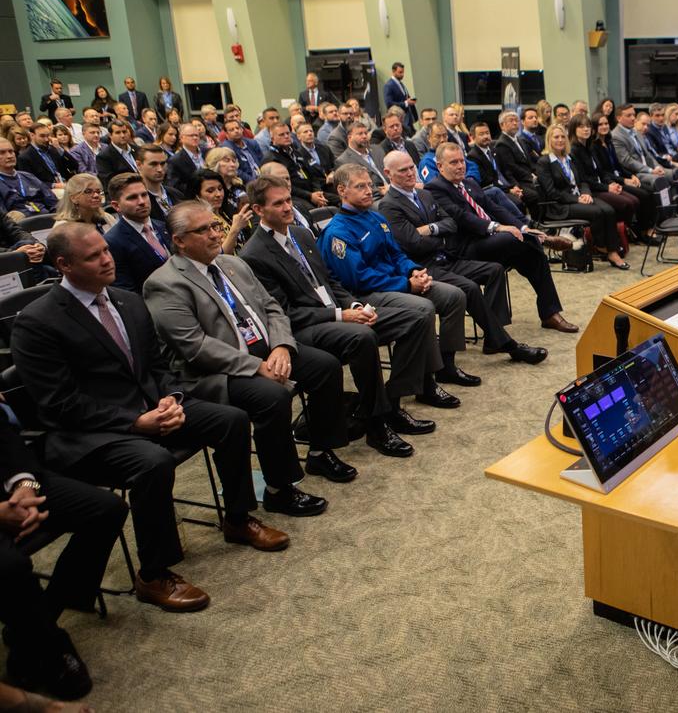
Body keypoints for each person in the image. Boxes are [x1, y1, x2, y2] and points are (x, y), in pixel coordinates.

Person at [13, 223, 291, 613]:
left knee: (229, 420)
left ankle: (238, 518)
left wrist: (171, 399)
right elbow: (60, 403)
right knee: (153, 461)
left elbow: (158, 367)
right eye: (93, 256)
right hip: (90, 432)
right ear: (63, 265)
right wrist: (134, 422)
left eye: (106, 251)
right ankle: (154, 573)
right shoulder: (38, 321)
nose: (107, 259)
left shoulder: (127, 301)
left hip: (149, 406)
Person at [144, 200, 341, 501]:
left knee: (325, 366)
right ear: (180, 241)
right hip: (215, 372)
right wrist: (256, 366)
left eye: (215, 226)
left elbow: (272, 308)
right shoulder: (164, 283)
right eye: (203, 230)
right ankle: (280, 488)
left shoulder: (231, 263)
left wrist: (282, 346)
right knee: (270, 396)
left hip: (268, 353)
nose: (214, 234)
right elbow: (195, 346)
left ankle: (319, 450)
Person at [241, 175, 435, 460]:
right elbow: (284, 313)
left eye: (288, 200)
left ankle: (391, 403)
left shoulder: (301, 234)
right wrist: (340, 315)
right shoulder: (254, 254)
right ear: (258, 210)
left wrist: (355, 305)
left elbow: (329, 280)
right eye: (278, 203)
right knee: (362, 337)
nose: (287, 208)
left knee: (415, 318)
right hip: (305, 328)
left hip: (337, 311)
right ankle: (376, 424)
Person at [320, 164, 477, 409]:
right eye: (360, 186)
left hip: (398, 283)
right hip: (368, 294)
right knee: (423, 309)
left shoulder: (375, 216)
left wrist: (414, 271)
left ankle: (446, 367)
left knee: (453, 295)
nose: (368, 191)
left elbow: (397, 254)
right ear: (342, 190)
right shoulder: (338, 232)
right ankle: (408, 390)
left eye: (370, 185)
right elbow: (358, 279)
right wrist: (406, 284)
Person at [378, 151, 547, 365]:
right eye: (403, 170)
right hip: (422, 266)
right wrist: (439, 235)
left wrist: (429, 230)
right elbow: (413, 243)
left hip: (447, 257)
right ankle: (504, 346)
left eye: (412, 167)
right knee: (468, 288)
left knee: (494, 270)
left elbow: (451, 224)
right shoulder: (389, 205)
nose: (411, 172)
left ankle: (494, 337)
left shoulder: (424, 195)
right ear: (388, 173)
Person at [1, 418, 126, 701]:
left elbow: (4, 434)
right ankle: (52, 647)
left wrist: (25, 484)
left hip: (9, 488)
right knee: (11, 567)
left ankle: (34, 629)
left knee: (107, 510)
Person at [427, 142, 579, 333]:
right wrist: (499, 228)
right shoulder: (435, 188)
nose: (460, 166)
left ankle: (550, 314)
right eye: (453, 162)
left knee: (532, 254)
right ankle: (544, 239)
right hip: (466, 248)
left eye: (462, 161)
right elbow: (461, 218)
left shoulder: (469, 183)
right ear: (440, 166)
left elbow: (494, 208)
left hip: (491, 243)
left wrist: (522, 226)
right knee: (515, 239)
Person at [537, 123, 628, 269]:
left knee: (610, 210)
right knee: (597, 212)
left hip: (579, 198)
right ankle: (606, 249)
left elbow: (582, 181)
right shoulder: (544, 162)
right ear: (549, 140)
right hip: (560, 206)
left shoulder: (569, 158)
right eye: (556, 137)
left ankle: (610, 249)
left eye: (562, 137)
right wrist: (577, 199)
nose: (560, 140)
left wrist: (585, 193)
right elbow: (551, 192)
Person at [584, 111, 657, 243]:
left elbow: (618, 165)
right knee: (642, 196)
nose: (604, 126)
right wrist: (624, 180)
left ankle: (646, 228)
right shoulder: (594, 146)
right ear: (594, 127)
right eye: (600, 124)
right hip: (611, 181)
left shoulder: (608, 141)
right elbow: (604, 172)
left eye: (606, 123)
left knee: (649, 191)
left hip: (619, 177)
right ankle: (642, 231)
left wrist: (631, 175)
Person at [105, 172, 170, 292]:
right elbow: (126, 291)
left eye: (144, 195)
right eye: (132, 197)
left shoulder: (164, 226)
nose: (141, 201)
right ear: (116, 206)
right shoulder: (112, 242)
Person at [263, 122, 335, 209]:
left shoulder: (295, 152)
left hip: (313, 192)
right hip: (294, 196)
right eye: (281, 134)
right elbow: (285, 186)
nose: (286, 136)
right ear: (272, 138)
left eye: (287, 133)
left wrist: (317, 192)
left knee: (341, 199)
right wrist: (310, 196)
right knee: (313, 211)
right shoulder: (272, 159)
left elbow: (312, 176)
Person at [189, 169, 252, 255]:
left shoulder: (227, 212)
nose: (218, 194)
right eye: (210, 191)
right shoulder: (198, 222)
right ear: (197, 195)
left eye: (220, 189)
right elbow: (220, 255)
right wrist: (235, 229)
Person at [493, 110, 543, 208]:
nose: (515, 123)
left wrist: (537, 174)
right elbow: (511, 168)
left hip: (528, 177)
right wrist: (531, 176)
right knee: (537, 194)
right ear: (502, 125)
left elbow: (529, 162)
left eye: (516, 120)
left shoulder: (520, 140)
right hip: (517, 181)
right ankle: (538, 221)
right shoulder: (502, 144)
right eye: (511, 121)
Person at [17, 122, 73, 188]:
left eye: (48, 135)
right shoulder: (25, 157)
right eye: (42, 136)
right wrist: (53, 185)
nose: (46, 139)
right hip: (47, 190)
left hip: (66, 183)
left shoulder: (53, 149)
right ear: (32, 135)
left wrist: (59, 148)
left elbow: (74, 165)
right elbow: (29, 182)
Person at [136, 142, 184, 218]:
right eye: (153, 164)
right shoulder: (138, 201)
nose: (160, 169)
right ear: (139, 165)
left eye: (162, 164)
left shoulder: (176, 194)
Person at [95, 118, 140, 189]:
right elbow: (110, 182)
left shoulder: (137, 149)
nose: (122, 135)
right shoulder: (104, 156)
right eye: (118, 132)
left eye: (124, 132)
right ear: (110, 135)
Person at [383, 62, 418, 131]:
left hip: (408, 115)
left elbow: (404, 97)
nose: (402, 75)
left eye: (403, 72)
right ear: (393, 71)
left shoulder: (400, 84)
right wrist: (406, 103)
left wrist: (410, 100)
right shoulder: (388, 85)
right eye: (400, 72)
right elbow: (389, 103)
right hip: (399, 116)